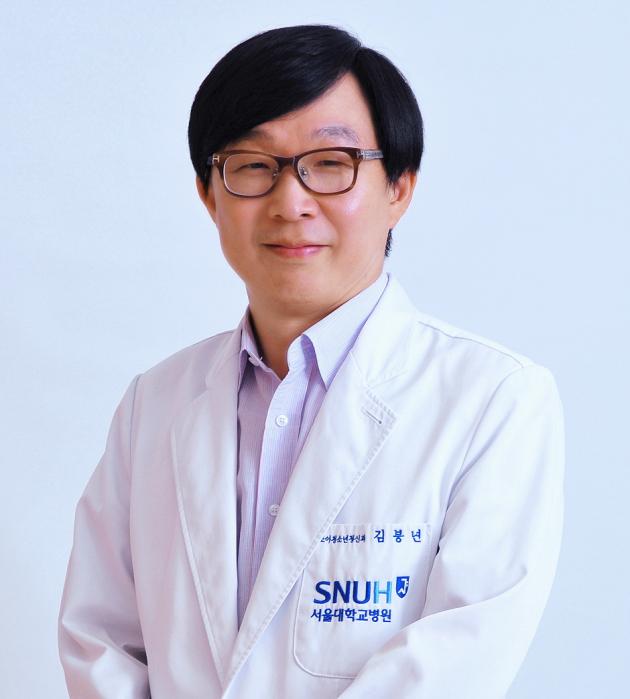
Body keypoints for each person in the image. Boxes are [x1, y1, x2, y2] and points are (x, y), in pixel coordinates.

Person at [58, 24, 565, 699]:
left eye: (330, 163)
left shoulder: (494, 400)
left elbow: (455, 662)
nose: (290, 202)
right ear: (209, 194)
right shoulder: (154, 403)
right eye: (252, 165)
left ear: (399, 188)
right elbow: (100, 641)